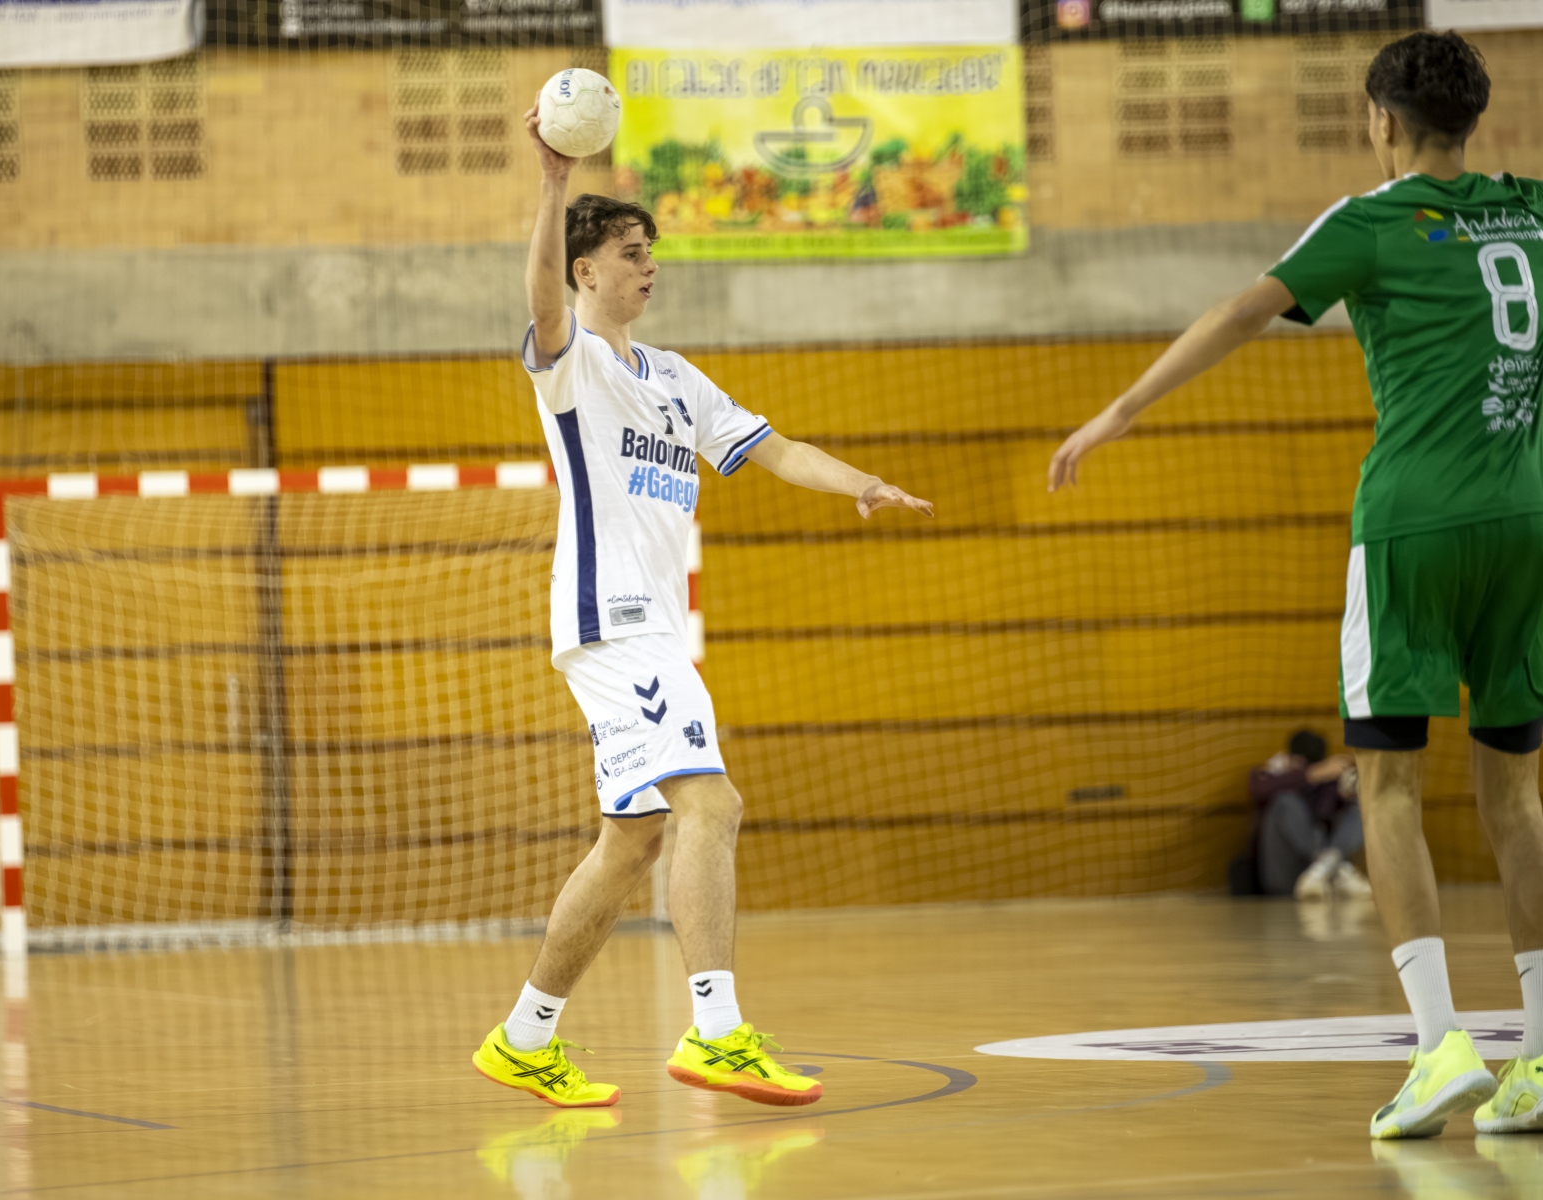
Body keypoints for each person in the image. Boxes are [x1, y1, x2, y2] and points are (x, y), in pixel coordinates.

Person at [1048, 30, 1543, 1140]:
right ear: (1474, 119)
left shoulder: (1368, 220)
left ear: (1382, 122)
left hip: (1413, 525)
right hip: (1527, 521)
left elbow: (1242, 310)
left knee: (1389, 783)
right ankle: (1541, 1059)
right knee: (1517, 797)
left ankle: (1440, 1047)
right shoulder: (1533, 210)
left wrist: (1118, 412)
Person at [471, 100, 934, 1109]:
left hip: (646, 631)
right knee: (712, 804)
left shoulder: (677, 381)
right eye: (631, 254)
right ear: (587, 269)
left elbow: (776, 450)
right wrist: (552, 182)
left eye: (652, 254)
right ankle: (717, 1032)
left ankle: (524, 1037)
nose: (650, 268)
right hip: (613, 621)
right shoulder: (572, 362)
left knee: (632, 841)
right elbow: (540, 299)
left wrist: (858, 482)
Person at [1249, 730, 1371, 901]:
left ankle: (1324, 866)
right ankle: (1326, 863)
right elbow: (1258, 788)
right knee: (1286, 801)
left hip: (1322, 881)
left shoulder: (1328, 783)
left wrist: (1345, 790)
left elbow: (1331, 814)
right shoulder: (1277, 774)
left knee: (1358, 809)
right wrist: (1311, 774)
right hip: (1284, 877)